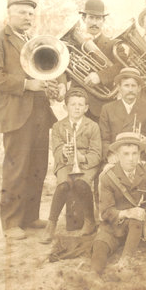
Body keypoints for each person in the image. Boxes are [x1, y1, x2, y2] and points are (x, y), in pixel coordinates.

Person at [0, 0, 58, 240]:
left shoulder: (34, 42)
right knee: (16, 169)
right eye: (22, 13)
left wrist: (49, 85)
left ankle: (30, 217)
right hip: (15, 114)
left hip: (39, 113)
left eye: (31, 14)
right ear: (9, 15)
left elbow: (41, 74)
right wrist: (27, 85)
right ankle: (12, 223)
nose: (28, 18)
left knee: (38, 167)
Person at [84, 131, 146, 290]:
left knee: (137, 218)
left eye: (135, 153)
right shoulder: (107, 176)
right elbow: (105, 212)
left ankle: (124, 264)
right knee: (101, 246)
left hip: (134, 227)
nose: (131, 158)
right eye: (126, 154)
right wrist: (127, 212)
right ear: (117, 155)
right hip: (112, 225)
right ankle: (93, 276)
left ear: (139, 155)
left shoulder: (145, 172)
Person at [43, 87, 102, 244]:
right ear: (65, 107)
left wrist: (81, 157)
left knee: (82, 184)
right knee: (63, 186)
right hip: (65, 163)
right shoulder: (57, 127)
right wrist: (64, 152)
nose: (76, 108)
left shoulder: (93, 126)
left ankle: (90, 221)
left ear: (86, 108)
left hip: (86, 164)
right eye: (73, 104)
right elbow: (56, 153)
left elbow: (96, 155)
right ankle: (51, 225)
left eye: (80, 105)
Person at [74, 0, 120, 122]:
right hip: (77, 104)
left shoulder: (113, 44)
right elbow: (63, 68)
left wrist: (100, 76)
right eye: (91, 18)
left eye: (98, 18)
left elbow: (122, 67)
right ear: (84, 19)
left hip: (102, 106)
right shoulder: (73, 43)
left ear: (103, 21)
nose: (94, 22)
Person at [98, 67, 146, 158]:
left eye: (133, 86)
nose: (130, 89)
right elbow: (103, 140)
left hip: (141, 158)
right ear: (119, 88)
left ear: (139, 88)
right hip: (116, 158)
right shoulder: (107, 109)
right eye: (126, 85)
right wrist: (110, 154)